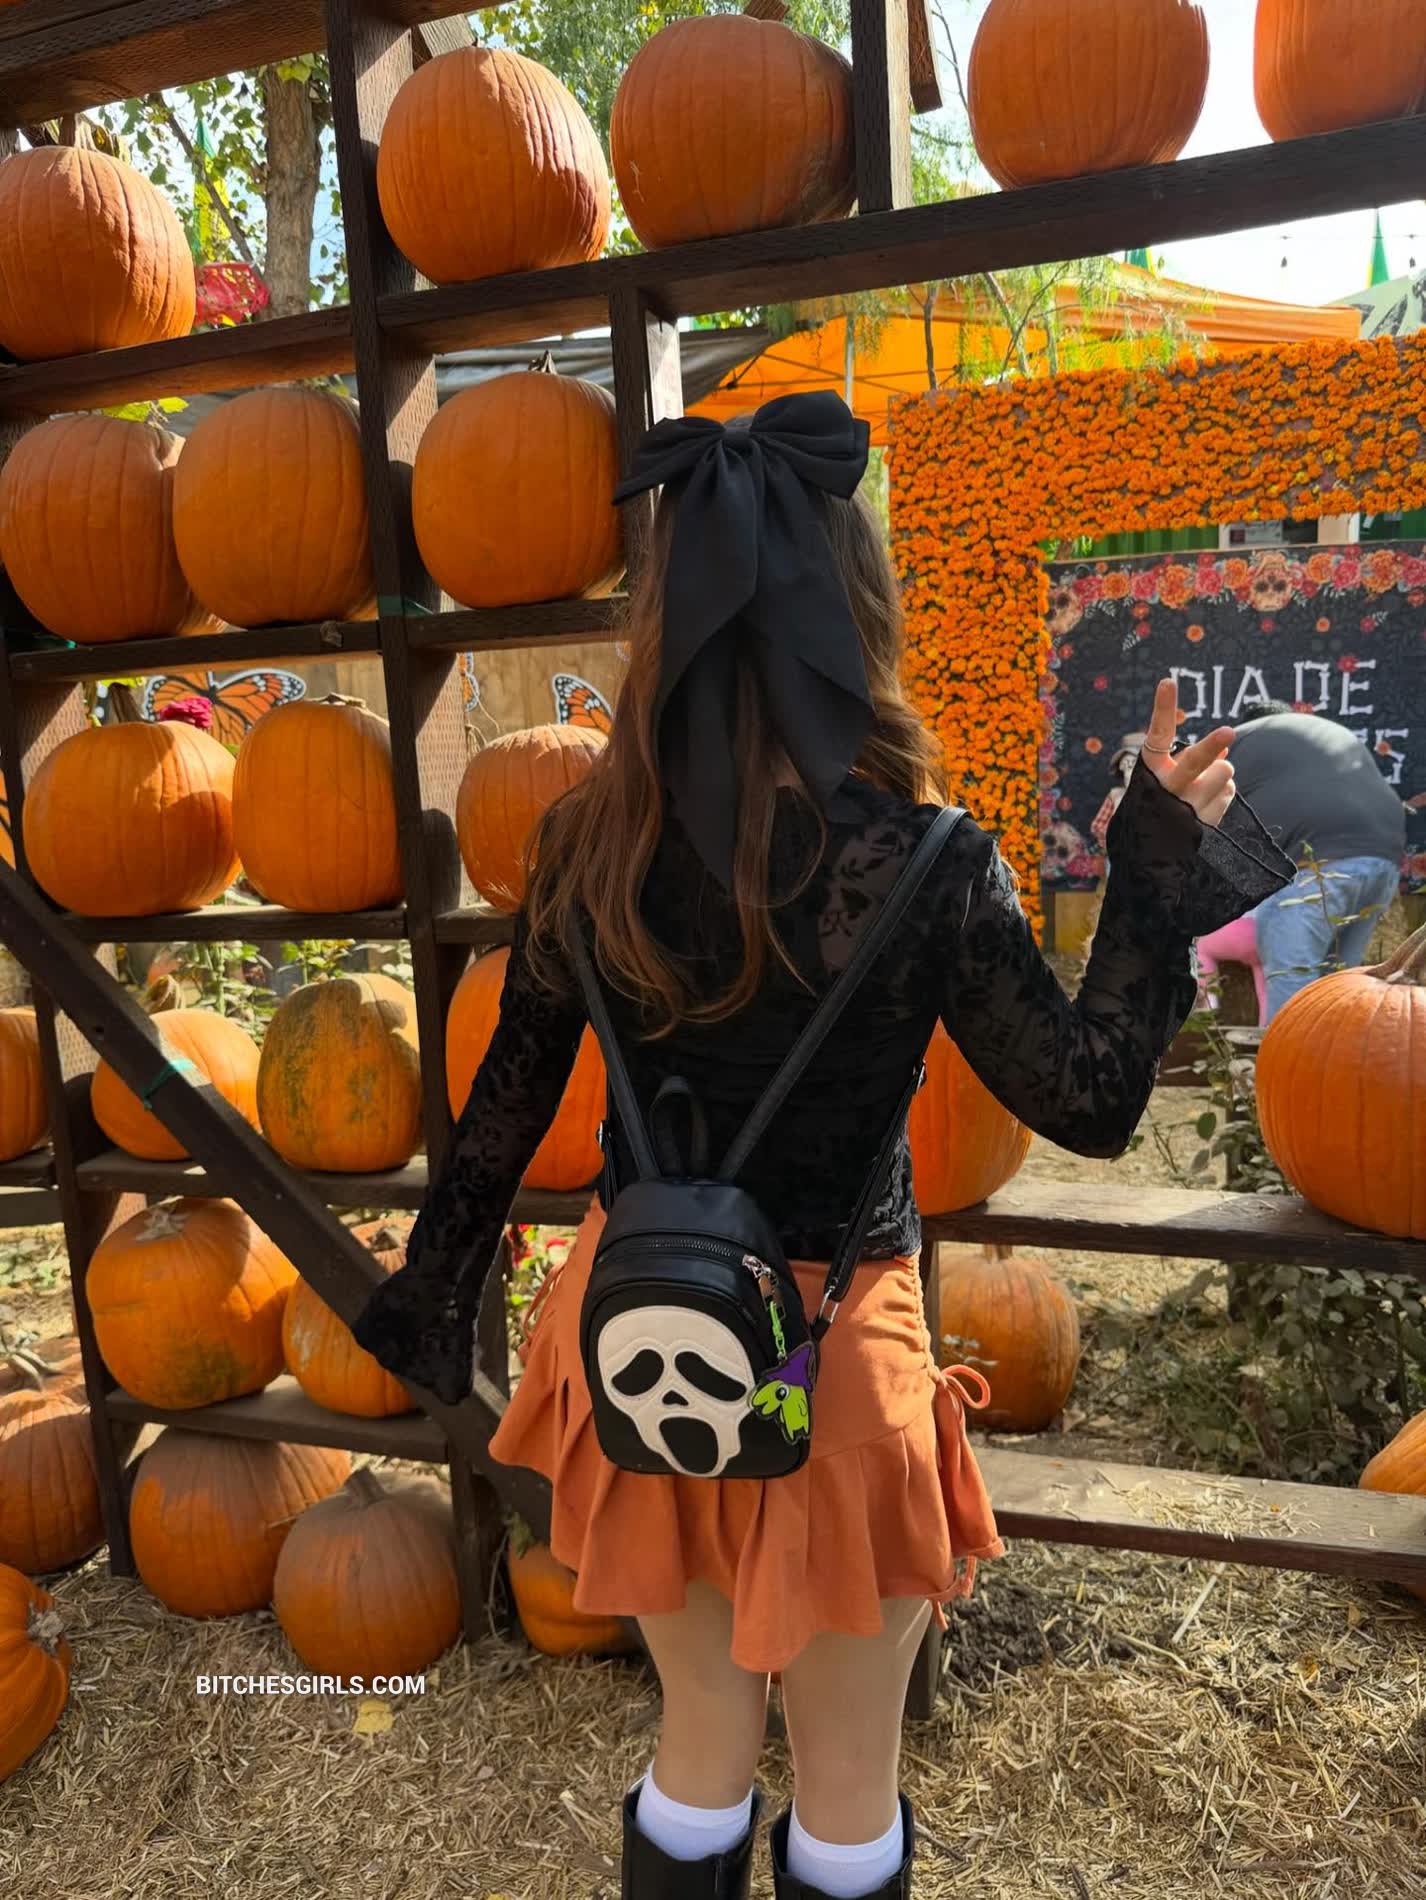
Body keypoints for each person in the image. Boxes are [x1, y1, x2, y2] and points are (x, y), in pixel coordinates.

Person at [350, 394, 1290, 1900]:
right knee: (847, 1777)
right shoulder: (925, 862)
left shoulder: (583, 843)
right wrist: (1149, 867)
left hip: (636, 1342)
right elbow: (1093, 1099)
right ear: (855, 610)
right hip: (831, 1366)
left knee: (699, 1739)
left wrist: (430, 1296)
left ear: (665, 613)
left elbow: (499, 1121)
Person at [1229, 700, 1406, 1021]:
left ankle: (1283, 1055)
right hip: (1384, 857)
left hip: (1319, 858)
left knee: (1290, 977)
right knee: (1337, 982)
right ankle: (1334, 1053)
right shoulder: (1325, 734)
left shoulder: (1238, 740)